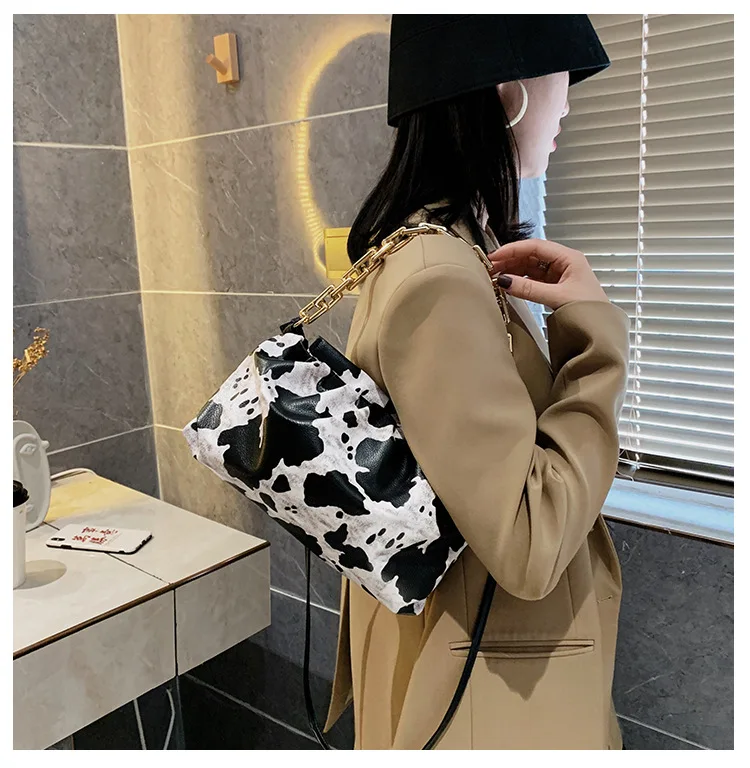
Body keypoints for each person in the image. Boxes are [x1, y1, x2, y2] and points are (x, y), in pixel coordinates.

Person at [323, 15, 630, 750]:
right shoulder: (440, 275)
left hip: (473, 662)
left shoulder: (436, 249)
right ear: (507, 88)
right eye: (560, 74)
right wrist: (594, 340)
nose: (567, 100)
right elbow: (529, 542)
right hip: (482, 693)